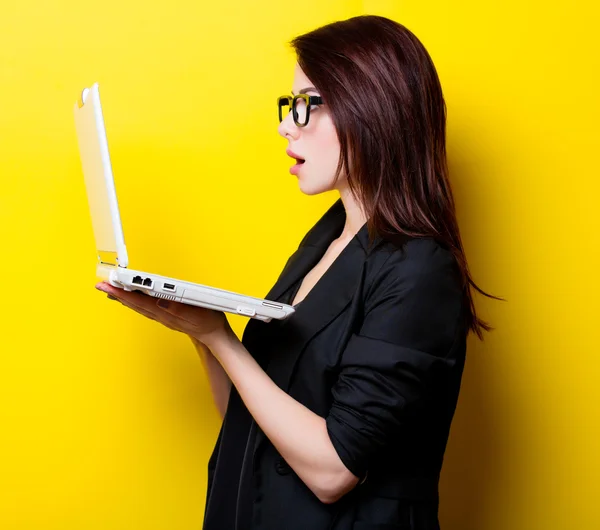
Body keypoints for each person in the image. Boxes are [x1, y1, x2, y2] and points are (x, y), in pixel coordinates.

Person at [96, 14, 496, 530]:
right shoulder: (324, 239)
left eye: (307, 104)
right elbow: (250, 423)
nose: (287, 124)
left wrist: (221, 338)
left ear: (370, 109)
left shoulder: (420, 271)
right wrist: (195, 329)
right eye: (289, 105)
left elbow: (333, 470)